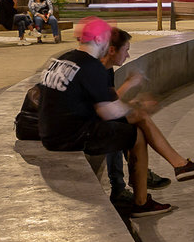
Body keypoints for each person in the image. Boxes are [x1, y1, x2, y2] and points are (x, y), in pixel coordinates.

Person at [38, 17, 170, 217]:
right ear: (99, 40)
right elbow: (109, 112)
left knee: (127, 124)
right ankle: (141, 202)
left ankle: (150, 176)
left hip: (50, 132)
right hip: (69, 136)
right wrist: (137, 106)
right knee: (135, 135)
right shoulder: (91, 66)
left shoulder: (63, 58)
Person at [99, 28, 194, 201]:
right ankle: (174, 166)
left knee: (134, 128)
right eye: (126, 50)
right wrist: (130, 86)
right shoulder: (96, 70)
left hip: (96, 119)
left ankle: (140, 189)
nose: (129, 55)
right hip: (86, 126)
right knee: (132, 121)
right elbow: (107, 106)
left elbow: (111, 100)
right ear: (112, 50)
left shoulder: (105, 69)